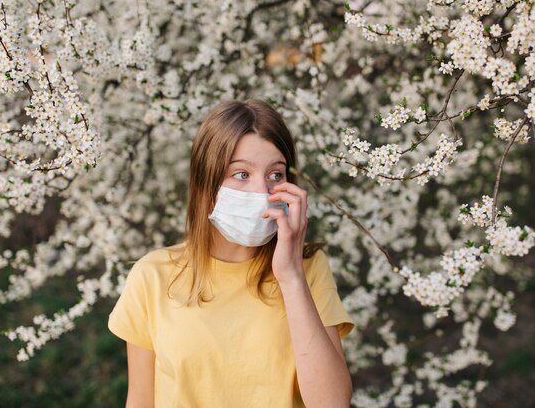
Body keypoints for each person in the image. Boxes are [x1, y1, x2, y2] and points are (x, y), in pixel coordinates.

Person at [107, 98, 355, 408]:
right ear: (206, 184)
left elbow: (332, 404)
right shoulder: (152, 275)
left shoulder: (309, 269)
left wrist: (291, 277)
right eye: (241, 174)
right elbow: (141, 400)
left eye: (276, 175)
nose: (262, 192)